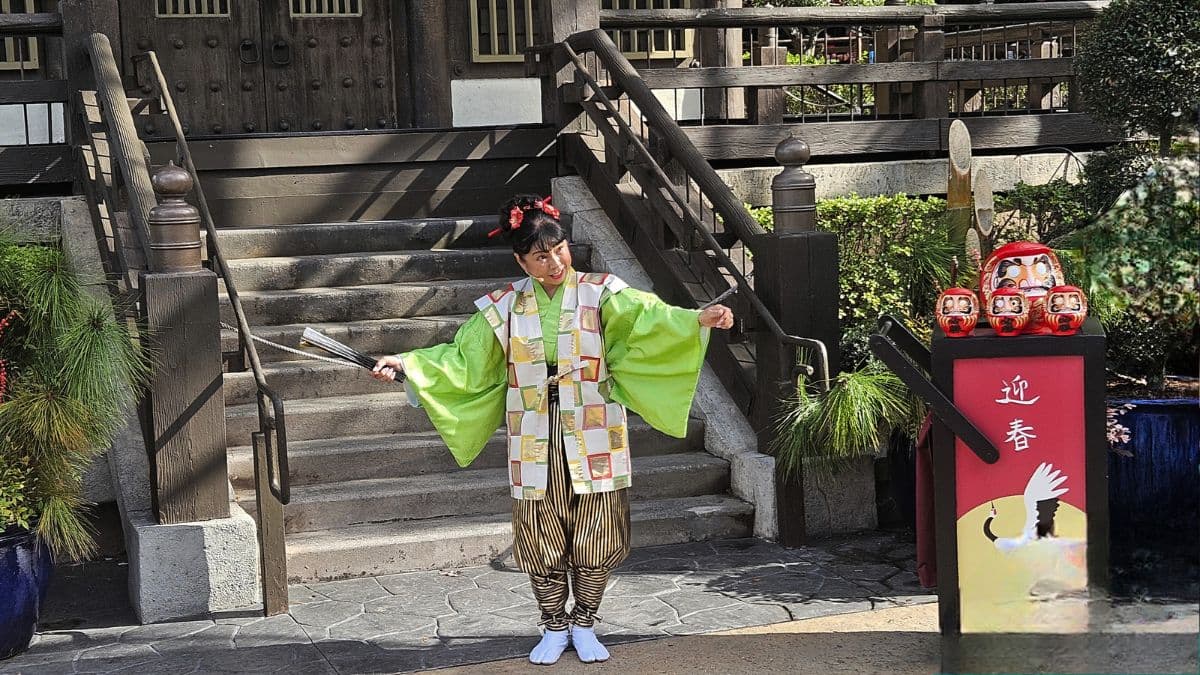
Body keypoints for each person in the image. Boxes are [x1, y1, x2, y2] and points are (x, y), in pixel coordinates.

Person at [370, 194, 734, 665]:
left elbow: (651, 318)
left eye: (558, 248)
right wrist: (405, 364)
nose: (554, 261)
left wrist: (697, 319)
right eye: (540, 256)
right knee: (540, 532)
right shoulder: (502, 307)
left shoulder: (603, 291)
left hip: (595, 423)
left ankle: (585, 622)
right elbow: (461, 358)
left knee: (598, 531)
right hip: (532, 430)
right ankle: (553, 625)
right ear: (521, 260)